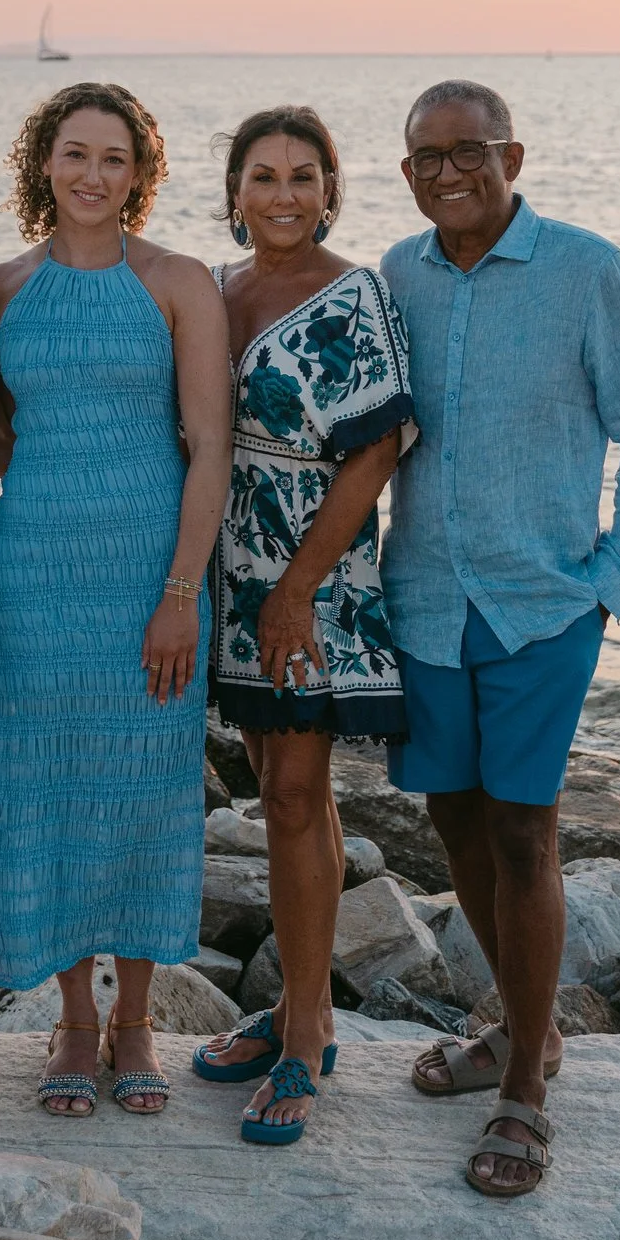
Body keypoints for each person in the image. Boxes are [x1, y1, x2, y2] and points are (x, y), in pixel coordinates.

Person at [380, 79, 620, 1197]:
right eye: (425, 159)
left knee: (524, 832)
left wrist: (613, 578)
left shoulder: (587, 270)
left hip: (542, 604)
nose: (448, 173)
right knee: (454, 825)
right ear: (405, 172)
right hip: (421, 600)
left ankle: (524, 1094)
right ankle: (520, 1028)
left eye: (468, 152)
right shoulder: (397, 275)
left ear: (513, 154)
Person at [0, 81, 232, 1118]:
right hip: (33, 576)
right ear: (44, 164)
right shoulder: (2, 288)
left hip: (151, 572)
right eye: (74, 154)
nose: (92, 175)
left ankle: (136, 1025)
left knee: (144, 790)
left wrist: (180, 592)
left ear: (140, 172)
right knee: (45, 785)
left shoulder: (179, 284)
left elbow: (210, 445)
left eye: (113, 158)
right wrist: (54, 483)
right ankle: (74, 1020)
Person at [188, 106, 411, 1146]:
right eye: (263, 176)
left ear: (330, 190)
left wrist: (294, 589)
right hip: (228, 566)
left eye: (303, 177)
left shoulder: (352, 296)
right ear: (232, 192)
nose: (283, 194)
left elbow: (376, 451)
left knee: (288, 791)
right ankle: (292, 1007)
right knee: (285, 791)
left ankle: (307, 1030)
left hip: (310, 568)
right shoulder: (213, 291)